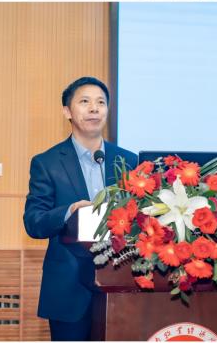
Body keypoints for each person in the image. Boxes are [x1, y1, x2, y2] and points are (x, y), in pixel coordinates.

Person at [23, 77, 137, 340]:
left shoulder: (129, 161)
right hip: (68, 288)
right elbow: (34, 222)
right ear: (67, 111)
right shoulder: (47, 163)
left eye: (101, 102)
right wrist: (69, 211)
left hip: (122, 283)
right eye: (85, 102)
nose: (94, 108)